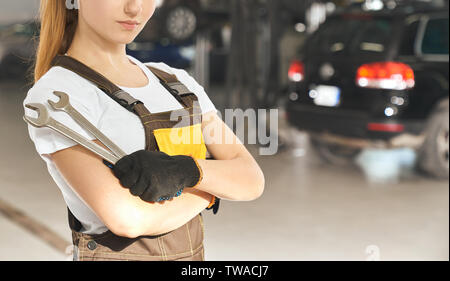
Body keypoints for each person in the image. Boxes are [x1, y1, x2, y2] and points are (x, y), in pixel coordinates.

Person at [23, 0, 265, 261]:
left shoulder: (176, 82)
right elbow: (128, 218)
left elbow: (251, 180)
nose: (135, 8)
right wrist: (212, 189)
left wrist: (187, 170)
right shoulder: (60, 93)